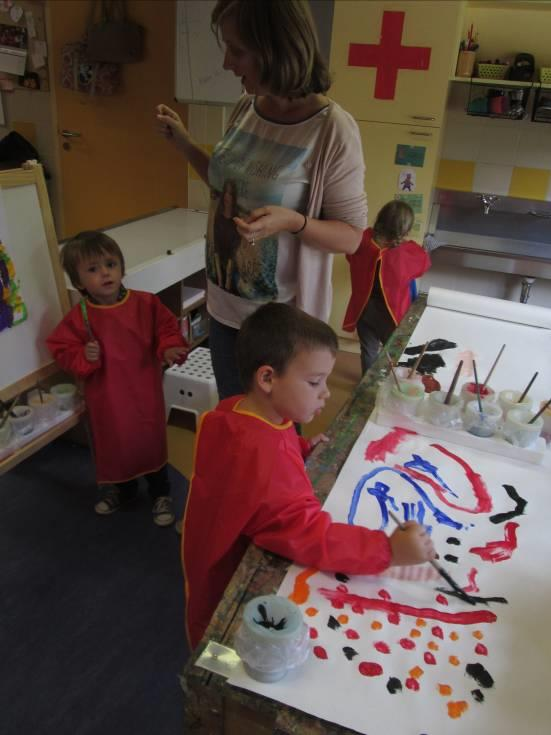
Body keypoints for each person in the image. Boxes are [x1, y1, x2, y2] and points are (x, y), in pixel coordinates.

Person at [181, 302, 436, 648]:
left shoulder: (238, 410)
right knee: (224, 659)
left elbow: (253, 458)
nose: (327, 393)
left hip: (204, 552)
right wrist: (387, 549)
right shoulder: (265, 459)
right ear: (268, 378)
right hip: (227, 586)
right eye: (315, 382)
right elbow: (309, 534)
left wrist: (298, 449)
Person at [156, 0, 367, 400]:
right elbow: (227, 190)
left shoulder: (332, 130)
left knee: (273, 440)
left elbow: (352, 237)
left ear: (276, 49)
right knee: (235, 425)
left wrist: (294, 222)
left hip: (278, 330)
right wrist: (184, 144)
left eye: (237, 51)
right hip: (223, 308)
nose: (226, 64)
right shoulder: (245, 108)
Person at [46, 231, 189, 526]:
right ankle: (124, 490)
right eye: (93, 269)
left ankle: (161, 492)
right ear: (78, 281)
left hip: (143, 392)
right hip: (107, 397)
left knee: (149, 440)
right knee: (115, 445)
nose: (105, 273)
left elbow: (167, 329)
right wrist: (85, 355)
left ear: (122, 267)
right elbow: (61, 349)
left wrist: (170, 348)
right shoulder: (80, 317)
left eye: (110, 264)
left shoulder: (145, 304)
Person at [342, 200, 433, 375]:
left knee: (368, 350)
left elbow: (350, 257)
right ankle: (384, 384)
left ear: (380, 219)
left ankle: (366, 384)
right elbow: (423, 266)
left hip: (364, 309)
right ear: (405, 229)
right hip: (390, 314)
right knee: (392, 354)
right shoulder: (408, 253)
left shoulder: (362, 240)